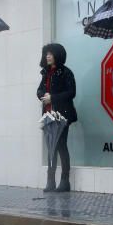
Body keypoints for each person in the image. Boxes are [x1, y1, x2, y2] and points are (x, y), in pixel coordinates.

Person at [37, 43, 78, 192]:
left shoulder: (66, 72)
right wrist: (43, 95)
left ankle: (65, 181)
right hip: (48, 115)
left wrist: (52, 98)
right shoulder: (45, 73)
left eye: (51, 53)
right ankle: (50, 181)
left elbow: (71, 92)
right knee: (50, 148)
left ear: (57, 55)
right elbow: (39, 90)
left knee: (61, 146)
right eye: (46, 53)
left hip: (62, 115)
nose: (48, 56)